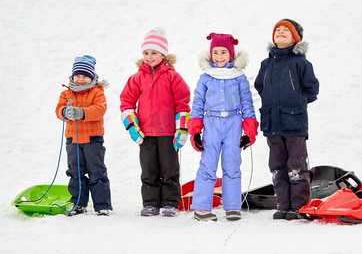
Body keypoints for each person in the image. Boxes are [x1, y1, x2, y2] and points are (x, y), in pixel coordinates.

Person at [120, 27, 190, 217]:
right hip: (146, 134)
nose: (149, 57)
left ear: (163, 55)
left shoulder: (173, 77)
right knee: (149, 169)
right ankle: (150, 202)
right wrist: (132, 126)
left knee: (169, 169)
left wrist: (182, 129)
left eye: (154, 53)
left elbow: (182, 103)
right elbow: (126, 102)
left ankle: (169, 203)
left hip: (168, 133)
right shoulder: (137, 78)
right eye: (146, 53)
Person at [188, 33, 259, 222]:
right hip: (211, 123)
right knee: (208, 165)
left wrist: (249, 130)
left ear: (231, 54)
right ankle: (202, 208)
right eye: (216, 52)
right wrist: (195, 130)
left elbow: (246, 103)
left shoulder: (239, 78)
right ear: (210, 55)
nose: (219, 57)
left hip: (233, 124)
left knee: (232, 165)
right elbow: (197, 104)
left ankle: (232, 206)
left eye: (223, 52)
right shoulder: (205, 78)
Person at [254, 19, 319, 220]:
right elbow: (260, 86)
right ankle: (283, 205)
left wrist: (295, 104)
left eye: (286, 30)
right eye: (277, 30)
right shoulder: (266, 64)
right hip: (272, 124)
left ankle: (298, 206)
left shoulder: (301, 63)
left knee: (296, 166)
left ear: (295, 38)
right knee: (277, 166)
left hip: (294, 124)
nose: (280, 32)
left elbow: (312, 90)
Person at [55, 55, 113, 216]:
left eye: (85, 76)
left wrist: (82, 112)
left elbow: (99, 110)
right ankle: (78, 203)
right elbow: (58, 111)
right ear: (73, 76)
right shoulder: (66, 93)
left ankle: (103, 205)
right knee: (75, 172)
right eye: (78, 75)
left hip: (93, 140)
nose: (81, 79)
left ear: (92, 76)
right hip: (72, 140)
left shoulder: (97, 92)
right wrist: (64, 112)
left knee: (97, 171)